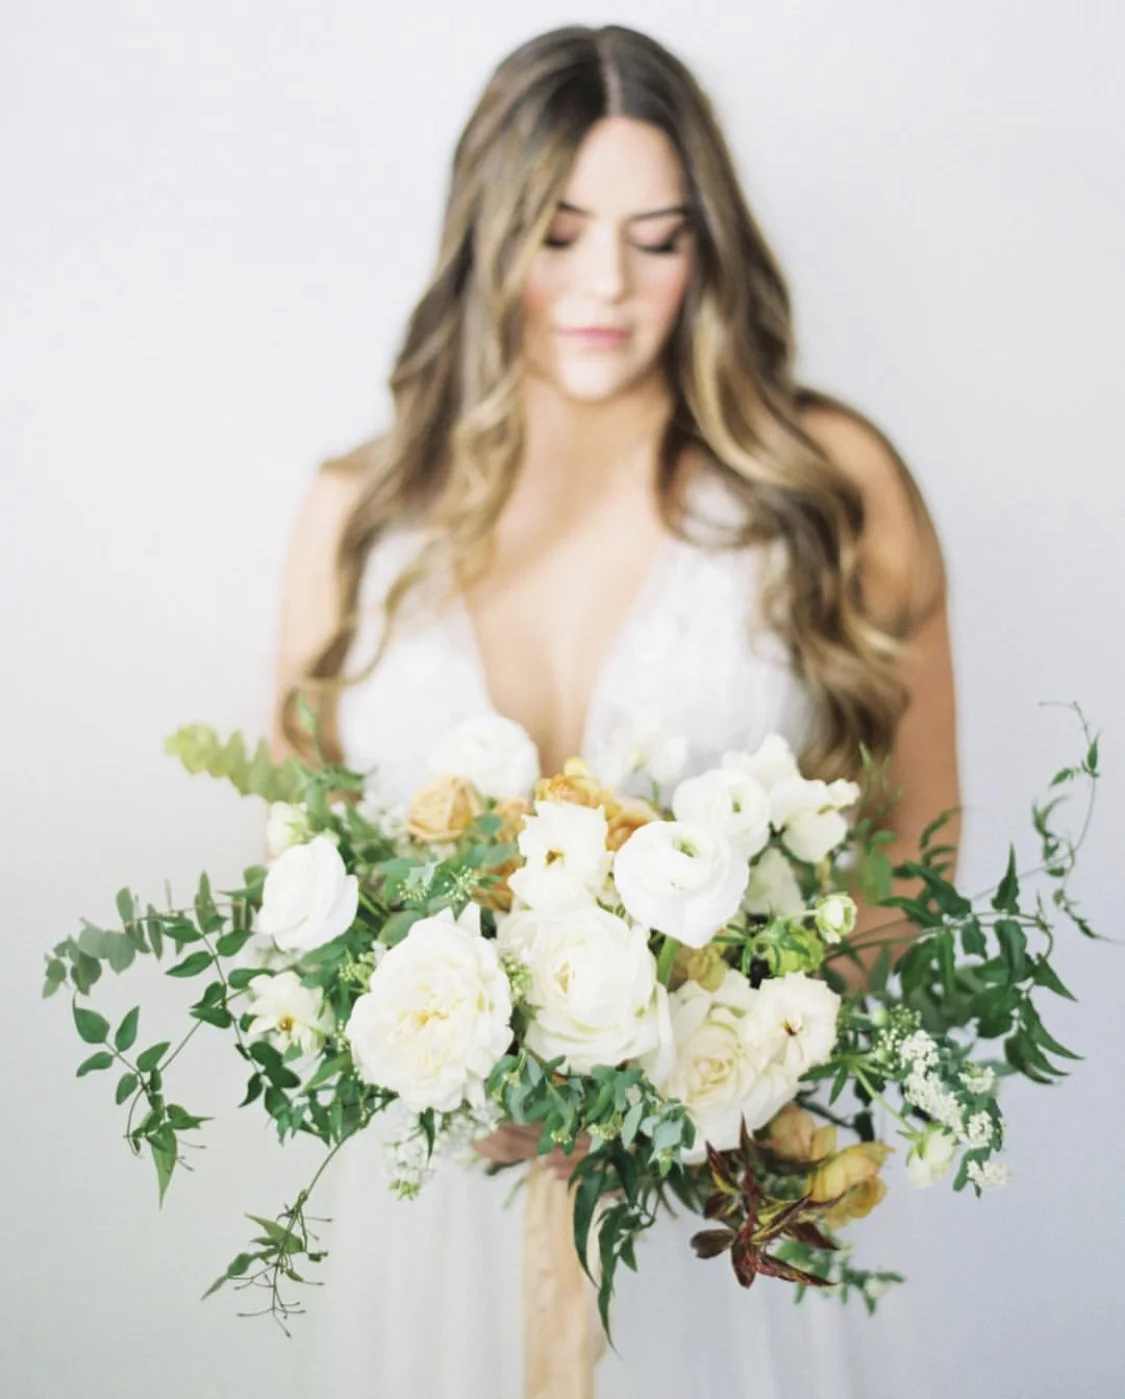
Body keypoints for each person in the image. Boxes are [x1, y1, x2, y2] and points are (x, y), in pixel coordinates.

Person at [269, 23, 959, 1399]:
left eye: (658, 238)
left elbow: (919, 845)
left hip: (722, 1208)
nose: (606, 286)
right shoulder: (361, 517)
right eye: (560, 233)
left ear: (710, 246)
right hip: (439, 1210)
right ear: (487, 237)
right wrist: (448, 1061)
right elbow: (296, 868)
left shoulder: (825, 488)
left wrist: (705, 1066)